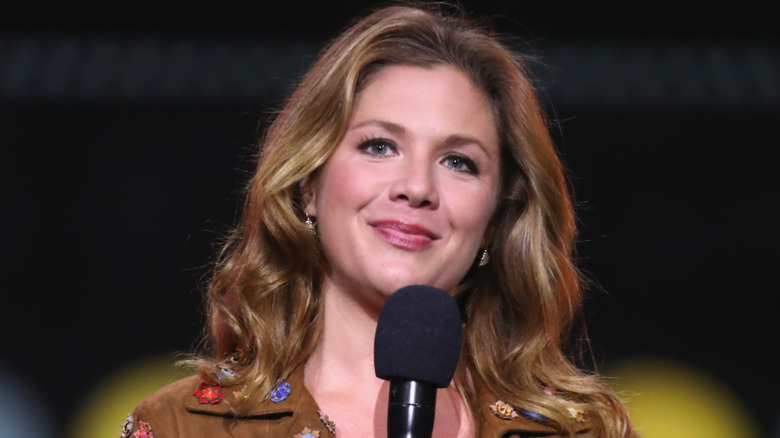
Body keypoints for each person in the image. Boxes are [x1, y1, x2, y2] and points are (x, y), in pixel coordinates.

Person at [121, 4, 636, 438]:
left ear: (497, 219)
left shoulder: (581, 431)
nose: (416, 187)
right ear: (309, 184)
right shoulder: (186, 427)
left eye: (458, 161)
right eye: (380, 146)